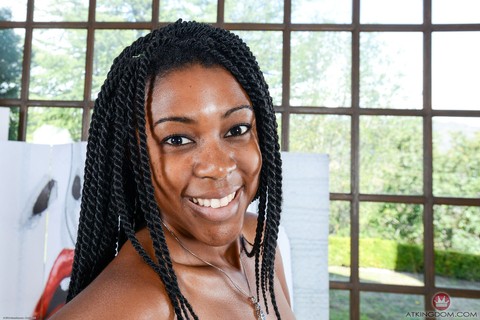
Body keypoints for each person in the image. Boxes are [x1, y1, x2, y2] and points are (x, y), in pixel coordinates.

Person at [50, 20, 295, 320]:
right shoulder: (135, 301)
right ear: (132, 157)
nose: (218, 167)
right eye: (178, 139)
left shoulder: (257, 240)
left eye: (236, 129)